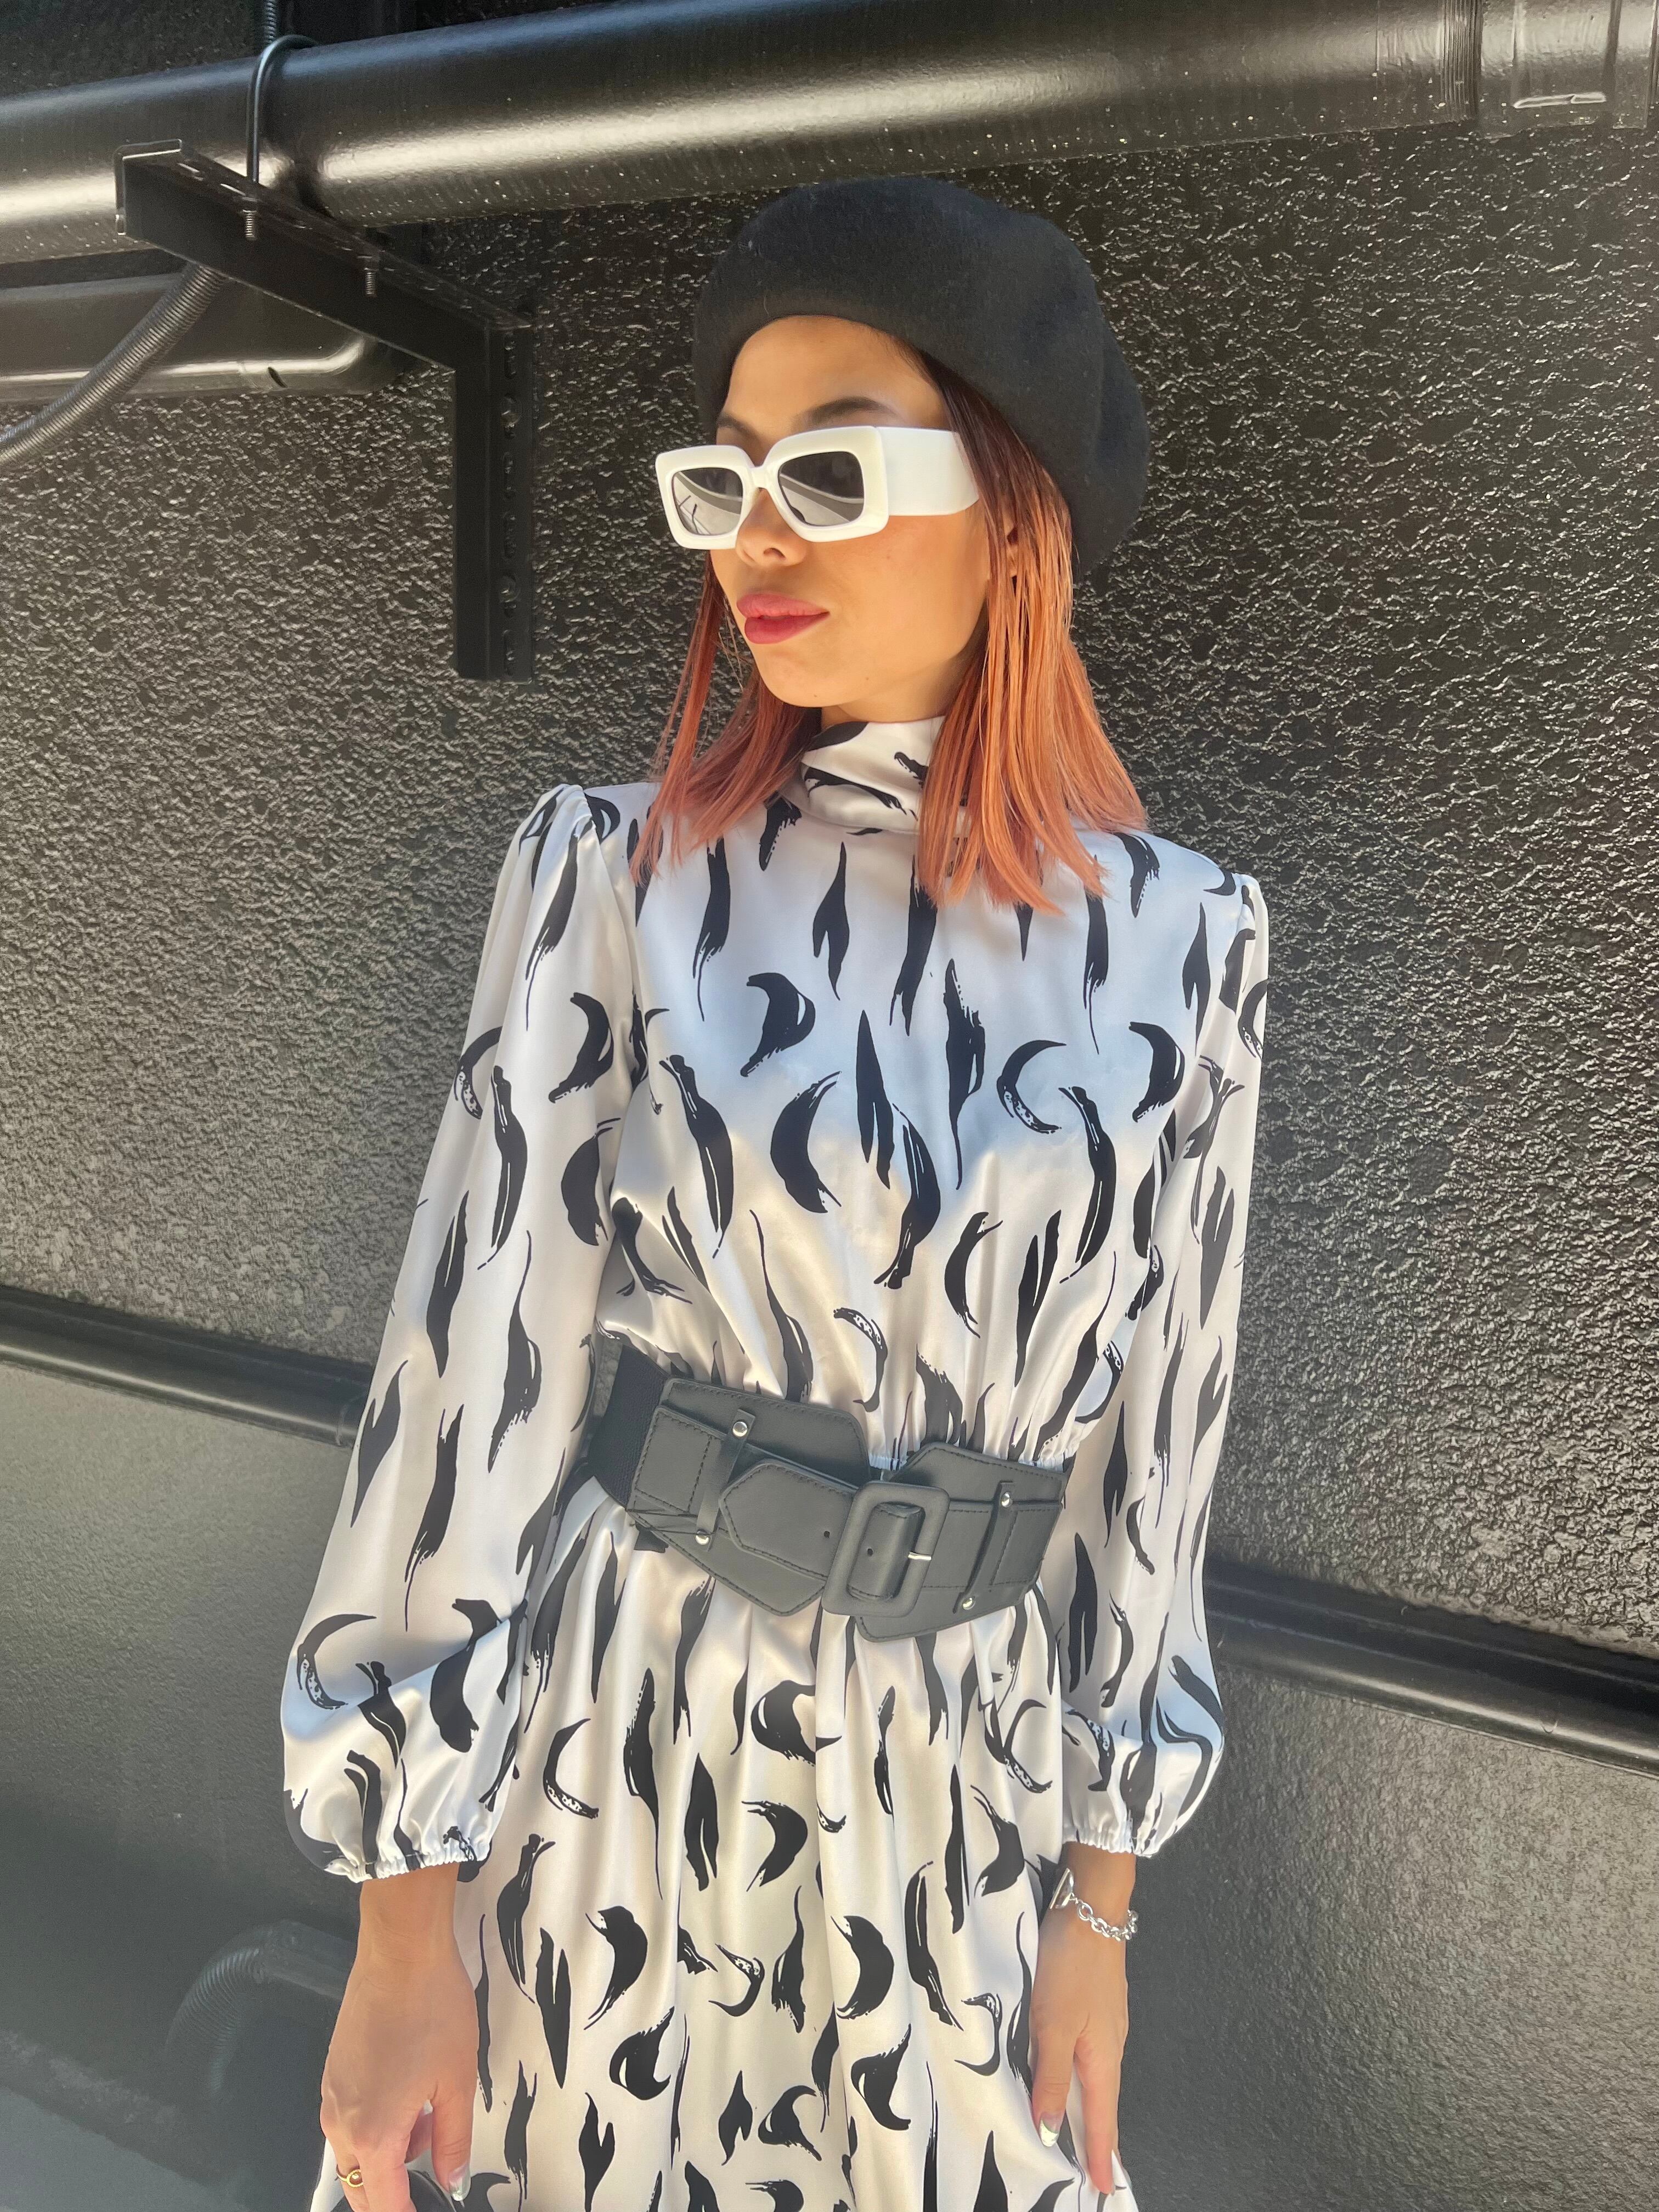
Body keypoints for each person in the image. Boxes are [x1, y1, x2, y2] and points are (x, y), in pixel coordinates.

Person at [281, 174, 1272, 2212]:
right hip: (620, 1757)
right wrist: (400, 1923)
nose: (756, 537)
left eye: (829, 472)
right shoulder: (612, 878)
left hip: (967, 1799)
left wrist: (1102, 1906)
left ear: (1013, 510)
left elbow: (1160, 1452)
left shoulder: (1193, 948)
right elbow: (469, 1386)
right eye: (723, 479)